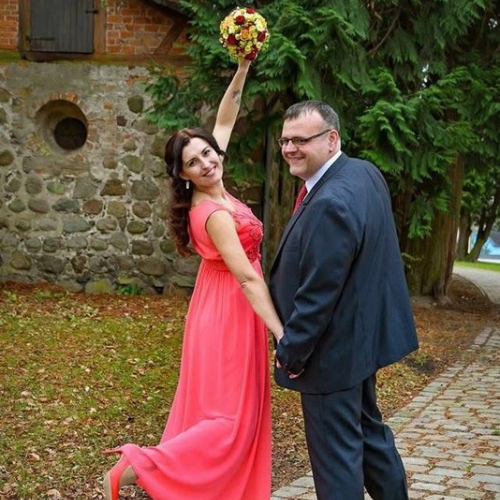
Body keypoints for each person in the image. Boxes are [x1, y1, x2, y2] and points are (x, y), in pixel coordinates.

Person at [102, 58, 283, 500]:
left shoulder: (214, 184)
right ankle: (135, 468)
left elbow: (226, 117)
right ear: (182, 176)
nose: (205, 162)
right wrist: (283, 334)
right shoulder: (213, 213)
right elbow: (247, 278)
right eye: (192, 162)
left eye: (207, 153)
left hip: (224, 306)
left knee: (230, 414)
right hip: (229, 313)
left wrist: (243, 66)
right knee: (229, 421)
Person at [269, 100, 419, 500]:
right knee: (369, 435)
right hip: (359, 343)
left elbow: (319, 292)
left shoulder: (330, 202)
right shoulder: (363, 172)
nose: (289, 149)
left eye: (301, 140)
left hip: (328, 354)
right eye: (284, 140)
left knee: (336, 461)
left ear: (331, 139)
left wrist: (292, 352)